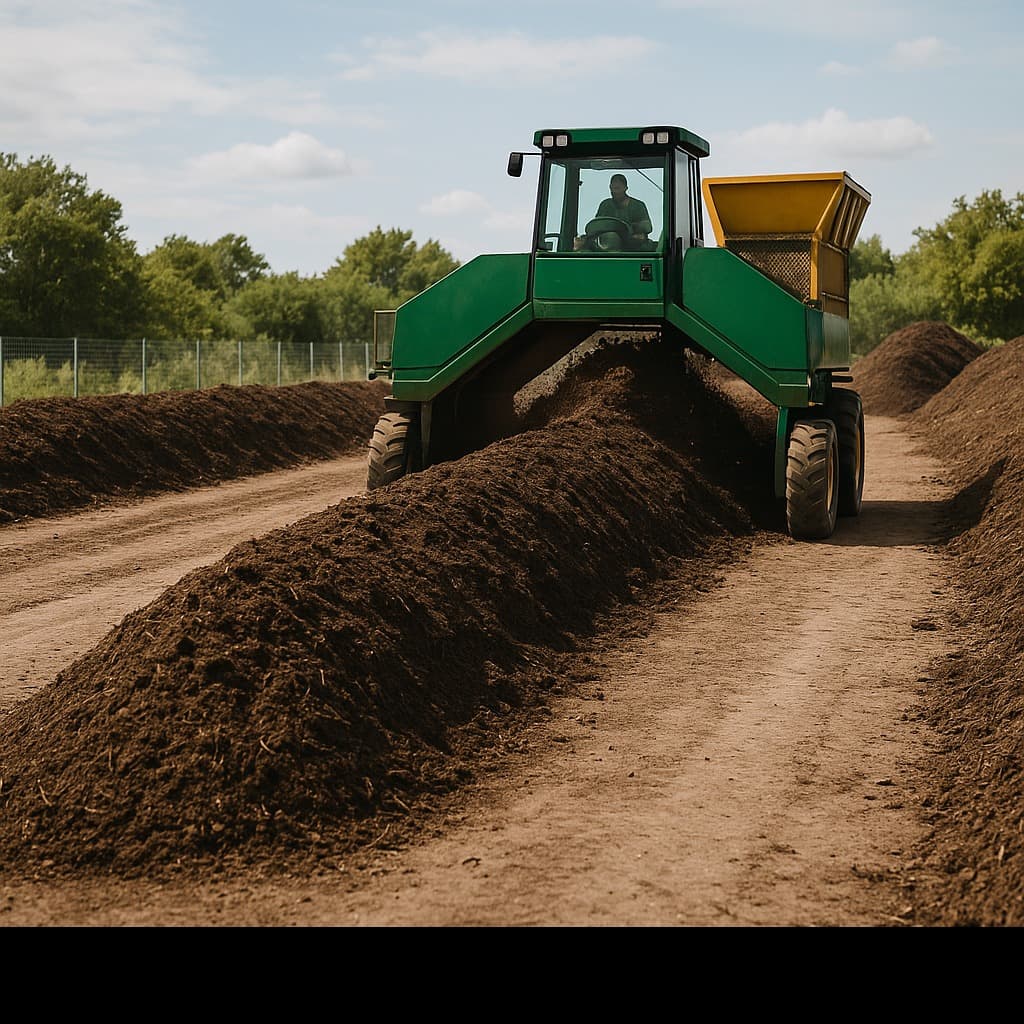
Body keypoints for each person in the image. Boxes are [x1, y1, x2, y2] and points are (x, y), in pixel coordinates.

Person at [574, 173, 654, 251]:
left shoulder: (637, 205)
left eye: (617, 188)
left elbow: (647, 227)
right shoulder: (605, 205)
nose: (614, 191)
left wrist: (633, 228)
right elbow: (597, 226)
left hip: (631, 242)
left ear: (625, 188)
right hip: (607, 242)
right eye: (612, 188)